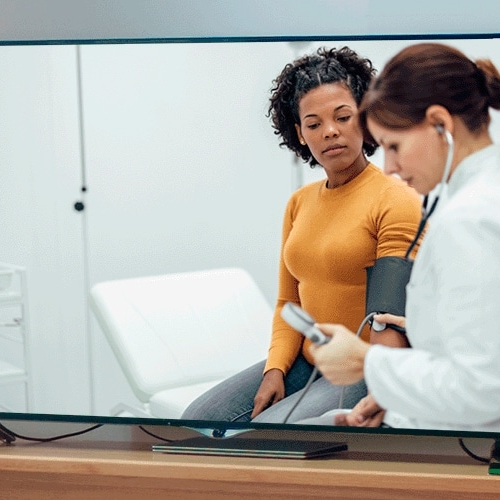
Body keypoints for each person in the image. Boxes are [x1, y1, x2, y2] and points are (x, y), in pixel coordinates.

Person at [181, 46, 423, 424]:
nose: (330, 131)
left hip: (359, 365)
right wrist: (275, 369)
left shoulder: (396, 199)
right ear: (299, 133)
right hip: (305, 361)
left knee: (267, 432)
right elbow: (286, 302)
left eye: (343, 117)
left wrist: (381, 389)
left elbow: (388, 318)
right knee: (198, 417)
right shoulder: (300, 202)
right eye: (313, 124)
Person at [309, 42, 500, 434]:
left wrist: (367, 362)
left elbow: (484, 387)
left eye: (394, 146)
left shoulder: (471, 221)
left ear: (440, 123)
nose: (391, 167)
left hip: (478, 446)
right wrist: (396, 388)